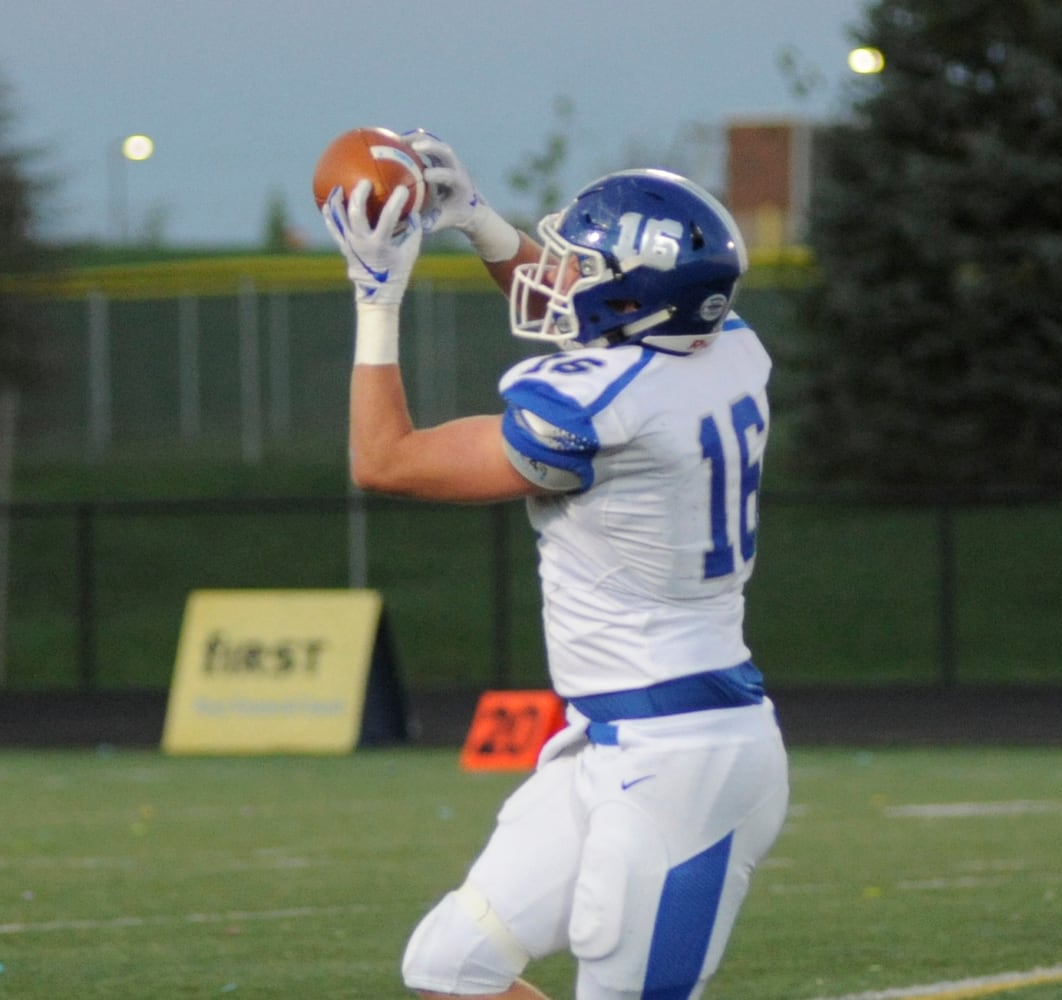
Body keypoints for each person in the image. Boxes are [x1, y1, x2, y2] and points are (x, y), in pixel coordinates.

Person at [321, 131, 789, 1000]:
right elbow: (603, 312)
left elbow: (384, 460)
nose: (556, 273)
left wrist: (375, 296)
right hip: (618, 737)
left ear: (630, 298)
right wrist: (480, 224)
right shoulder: (728, 350)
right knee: (450, 968)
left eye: (576, 262)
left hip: (679, 762)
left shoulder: (598, 407)